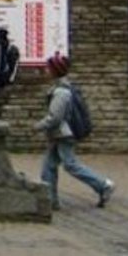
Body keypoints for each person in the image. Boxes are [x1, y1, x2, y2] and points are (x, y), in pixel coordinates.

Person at [35, 54, 113, 210]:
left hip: (63, 134)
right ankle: (50, 200)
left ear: (55, 70)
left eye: (48, 68)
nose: (45, 70)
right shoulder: (62, 88)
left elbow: (55, 117)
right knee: (48, 166)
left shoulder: (61, 92)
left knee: (70, 165)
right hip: (59, 134)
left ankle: (103, 185)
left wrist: (39, 126)